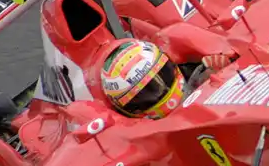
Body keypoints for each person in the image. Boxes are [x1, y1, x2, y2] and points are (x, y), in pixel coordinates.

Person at [100, 39, 233, 119]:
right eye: (145, 94)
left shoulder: (199, 77)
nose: (163, 89)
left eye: (163, 75)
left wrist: (225, 69)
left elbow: (200, 79)